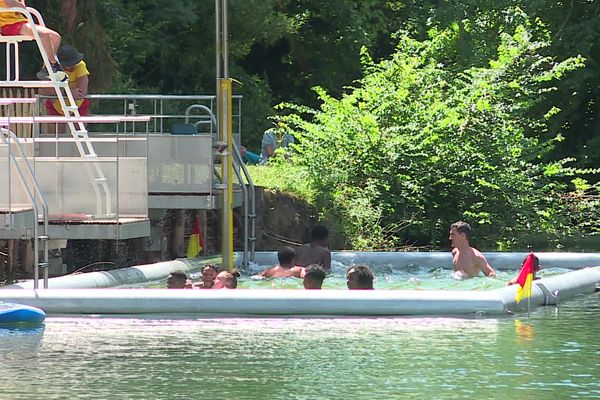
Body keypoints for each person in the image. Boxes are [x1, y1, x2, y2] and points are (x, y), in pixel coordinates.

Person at [0, 0, 65, 80]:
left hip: (20, 22)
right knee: (44, 35)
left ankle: (46, 69)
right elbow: (11, 3)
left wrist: (19, 5)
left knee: (56, 37)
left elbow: (21, 6)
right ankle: (54, 64)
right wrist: (19, 5)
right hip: (8, 25)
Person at [44, 45, 90, 116]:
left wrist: (60, 91)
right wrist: (68, 92)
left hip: (78, 103)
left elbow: (83, 91)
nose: (73, 65)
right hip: (56, 104)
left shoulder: (81, 65)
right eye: (69, 64)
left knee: (79, 126)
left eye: (75, 62)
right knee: (56, 126)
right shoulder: (51, 68)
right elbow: (46, 90)